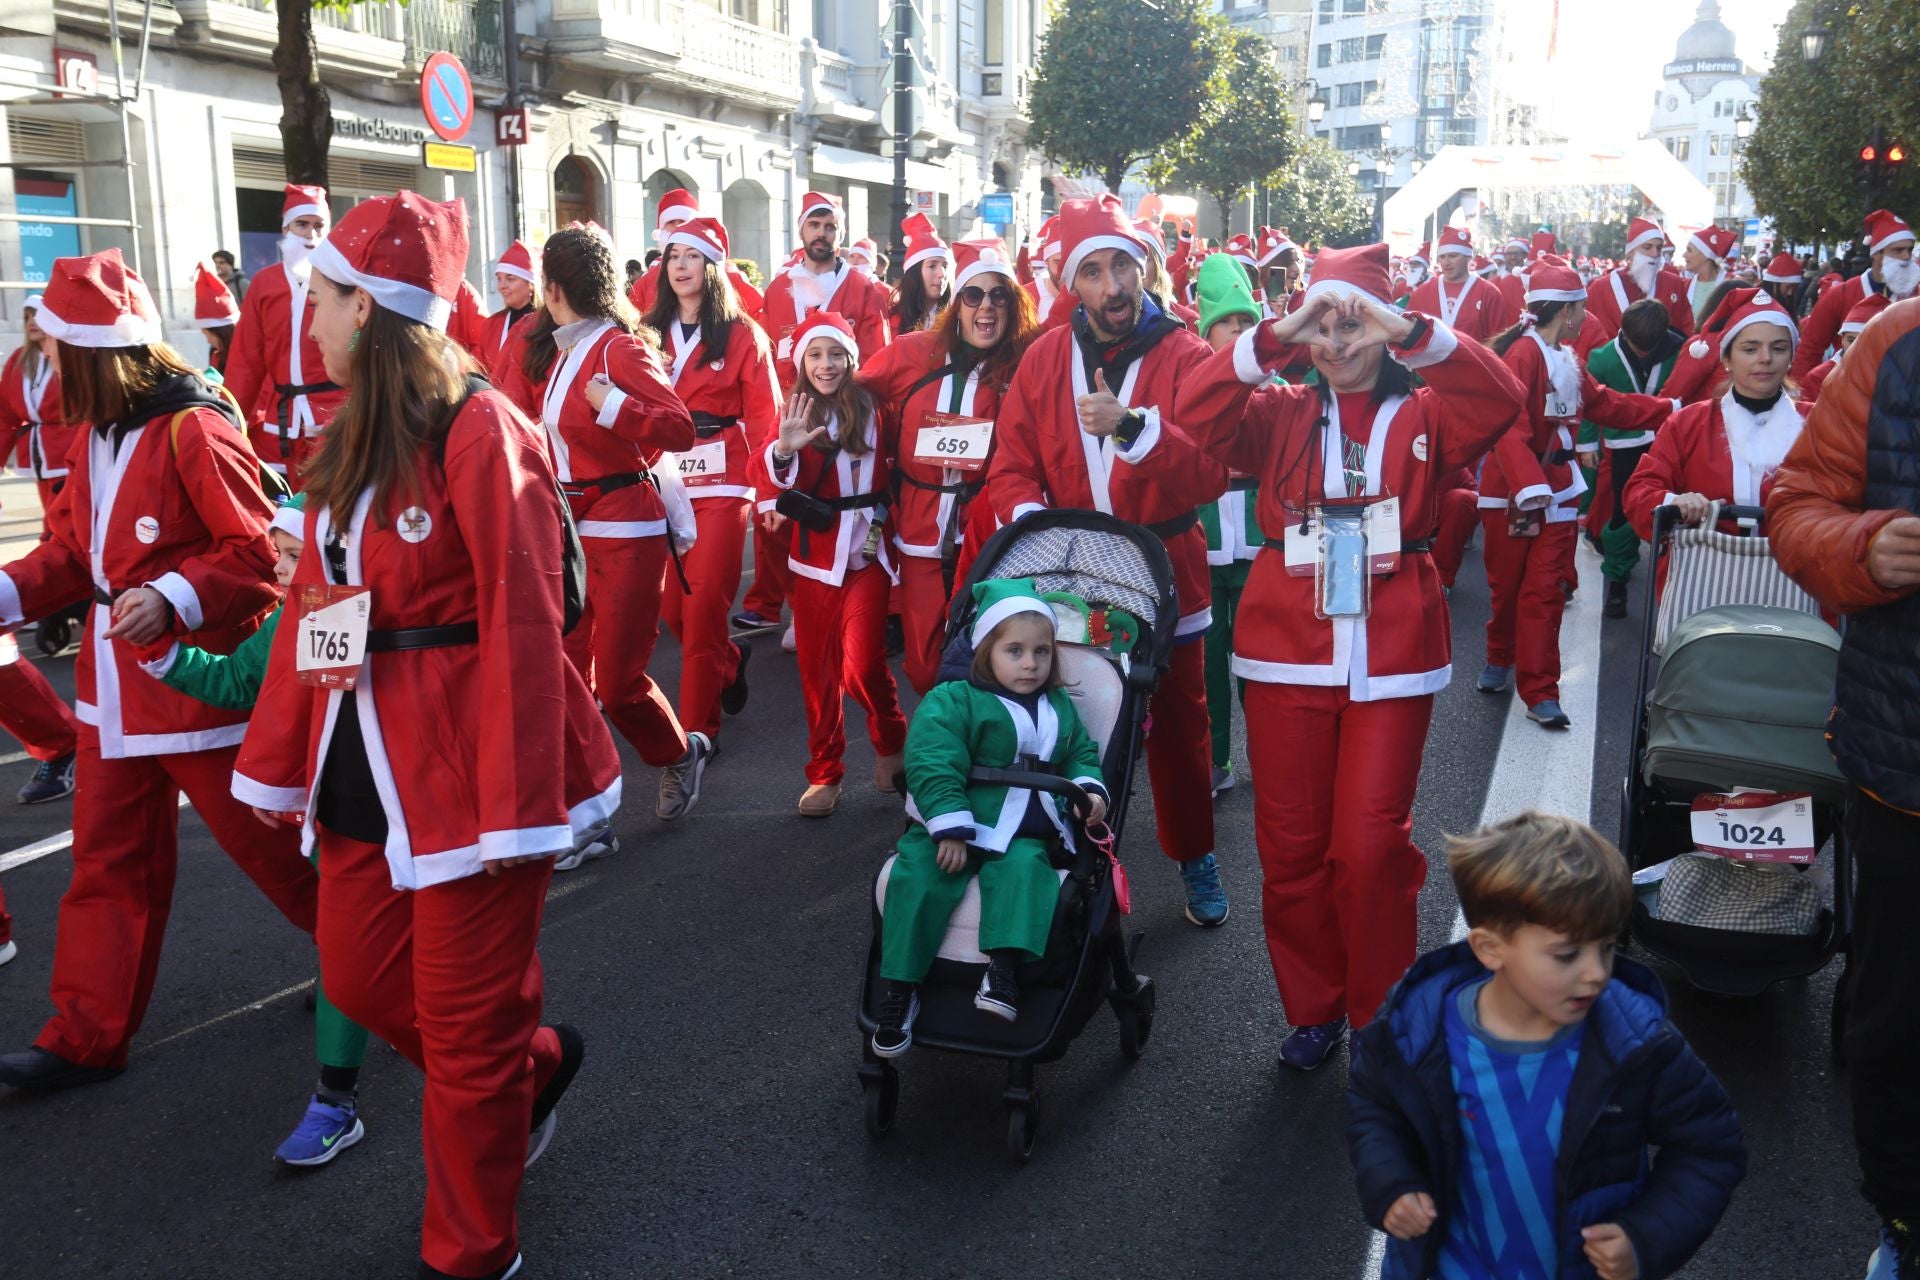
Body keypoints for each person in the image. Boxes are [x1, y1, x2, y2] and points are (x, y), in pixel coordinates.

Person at [233, 190, 619, 1280]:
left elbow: (524, 616)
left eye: (322, 299)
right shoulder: (351, 423)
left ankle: (471, 1250)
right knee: (357, 976)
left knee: (460, 1030)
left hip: (466, 769)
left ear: (370, 307)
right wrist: (277, 756)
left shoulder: (481, 426)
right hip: (364, 759)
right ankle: (526, 1061)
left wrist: (519, 800)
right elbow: (322, 601)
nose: (305, 320)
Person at [1173, 241, 1527, 1071]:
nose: (1336, 342)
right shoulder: (1280, 409)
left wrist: (1405, 326)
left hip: (1394, 644)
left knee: (1369, 847)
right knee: (1290, 846)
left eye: (1353, 323)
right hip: (1284, 648)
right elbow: (1195, 410)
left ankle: (1379, 1012)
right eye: (1322, 326)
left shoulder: (1433, 410)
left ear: (1385, 325)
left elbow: (1501, 394)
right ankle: (1314, 1008)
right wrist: (1274, 334)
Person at [0, 248, 318, 1091]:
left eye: (61, 351)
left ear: (95, 355)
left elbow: (258, 552)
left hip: (194, 688)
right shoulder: (96, 432)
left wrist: (174, 596)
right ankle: (83, 1035)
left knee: (270, 847)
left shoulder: (194, 426)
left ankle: (373, 969)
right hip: (114, 696)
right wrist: (6, 591)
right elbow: (72, 552)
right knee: (106, 863)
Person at [1347, 811, 1746, 1280]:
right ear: (1489, 948)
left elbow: (1711, 1147)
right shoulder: (1417, 1032)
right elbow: (1375, 1108)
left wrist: (1646, 1237)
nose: (1597, 972)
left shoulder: (1635, 1042)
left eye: (1608, 947)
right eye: (1568, 954)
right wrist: (1391, 1183)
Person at [990, 194, 1231, 929]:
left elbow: (1210, 475)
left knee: (1182, 731)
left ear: (1145, 267)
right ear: (1072, 283)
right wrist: (1032, 524)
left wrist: (1133, 429)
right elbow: (1010, 465)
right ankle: (1076, 863)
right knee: (1079, 720)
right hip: (1073, 576)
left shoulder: (1186, 354)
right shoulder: (1041, 360)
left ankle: (1195, 856)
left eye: (1122, 266)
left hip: (1166, 573)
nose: (1112, 287)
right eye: (1092, 271)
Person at [121, 491, 368, 1165]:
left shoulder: (334, 607)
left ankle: (504, 1071)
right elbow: (237, 681)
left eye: (290, 555)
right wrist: (162, 651)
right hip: (339, 810)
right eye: (278, 554)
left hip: (378, 809)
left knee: (384, 955)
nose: (279, 569)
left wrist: (289, 785)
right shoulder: (301, 609)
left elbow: (329, 717)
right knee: (349, 948)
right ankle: (338, 1096)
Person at [1769, 293, 1920, 1280]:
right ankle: (1906, 1222)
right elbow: (1795, 504)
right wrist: (1862, 547)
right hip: (1905, 769)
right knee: (1899, 1013)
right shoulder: (1895, 342)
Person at [493, 225, 706, 821]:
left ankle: (679, 753)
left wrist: (614, 405)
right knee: (565, 675)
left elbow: (678, 428)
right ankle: (585, 811)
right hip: (575, 531)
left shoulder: (620, 348)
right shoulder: (567, 348)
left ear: (552, 286)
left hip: (627, 533)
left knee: (617, 683)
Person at [870, 579, 1109, 1054]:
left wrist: (1088, 789)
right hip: (951, 825)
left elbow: (1080, 752)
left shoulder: (1058, 706)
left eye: (1042, 652)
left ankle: (1002, 969)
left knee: (1025, 870)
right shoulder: (953, 701)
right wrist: (951, 828)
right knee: (919, 876)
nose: (1030, 663)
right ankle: (901, 987)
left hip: (1024, 828)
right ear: (985, 651)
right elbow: (933, 762)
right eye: (1015, 650)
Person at [1481, 257, 1672, 729]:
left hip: (1560, 495)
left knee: (1544, 594)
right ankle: (1499, 655)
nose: (1586, 317)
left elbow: (1606, 403)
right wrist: (1529, 487)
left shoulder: (1566, 358)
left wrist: (1671, 408)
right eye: (1582, 308)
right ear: (1566, 312)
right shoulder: (1522, 355)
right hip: (1513, 497)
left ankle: (1540, 690)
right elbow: (1508, 429)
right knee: (1507, 591)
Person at [859, 239, 1036, 694]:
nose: (987, 307)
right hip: (919, 530)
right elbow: (849, 396)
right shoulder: (912, 352)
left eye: (1000, 296)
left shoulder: (1028, 364)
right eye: (974, 295)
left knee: (988, 665)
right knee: (923, 670)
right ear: (957, 305)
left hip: (990, 535)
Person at [752, 312, 907, 817]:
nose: (826, 364)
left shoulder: (876, 407)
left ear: (851, 358)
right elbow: (769, 472)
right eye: (815, 355)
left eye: (835, 353)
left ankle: (890, 742)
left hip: (870, 554)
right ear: (802, 363)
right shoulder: (794, 410)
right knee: (817, 673)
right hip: (815, 559)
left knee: (862, 664)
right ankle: (825, 772)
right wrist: (782, 448)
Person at [644, 215, 779, 766]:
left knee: (701, 614)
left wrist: (767, 491)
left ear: (712, 266)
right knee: (673, 610)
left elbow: (766, 419)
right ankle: (728, 661)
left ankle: (697, 732)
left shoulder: (744, 335)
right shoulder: (644, 330)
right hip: (661, 480)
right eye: (673, 255)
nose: (680, 265)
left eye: (691, 256)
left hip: (723, 484)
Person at [1624, 291, 1804, 596]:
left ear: (1791, 357)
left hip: (1795, 582)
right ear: (1726, 358)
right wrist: (1674, 502)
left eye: (1778, 348)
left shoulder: (1818, 424)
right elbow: (1639, 492)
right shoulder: (1688, 423)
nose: (1765, 359)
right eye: (1750, 348)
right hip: (1703, 582)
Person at [1190, 253, 1267, 797]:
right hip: (1204, 539)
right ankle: (1214, 760)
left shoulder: (1277, 382)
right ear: (1207, 330)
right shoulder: (1191, 383)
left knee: (1263, 664)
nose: (1238, 334)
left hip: (1262, 542)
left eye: (1246, 325)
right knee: (1208, 663)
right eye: (1228, 325)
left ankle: (1273, 759)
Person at [223, 184, 344, 488]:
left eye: (319, 226)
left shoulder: (343, 280)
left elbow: (361, 342)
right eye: (302, 224)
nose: (311, 235)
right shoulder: (265, 283)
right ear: (285, 228)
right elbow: (246, 359)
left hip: (335, 418)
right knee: (278, 507)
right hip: (279, 423)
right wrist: (230, 419)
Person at [1580, 298, 1685, 617]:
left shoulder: (1682, 351)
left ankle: (1679, 581)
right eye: (1638, 346)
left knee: (1676, 511)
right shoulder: (1602, 358)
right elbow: (1586, 403)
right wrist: (1587, 445)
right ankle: (1617, 579)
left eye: (1650, 347)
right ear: (1623, 333)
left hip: (1672, 441)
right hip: (1623, 445)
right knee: (1623, 513)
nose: (1643, 352)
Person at [1793, 210, 1917, 383]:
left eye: (1909, 250)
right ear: (1876, 254)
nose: (1906, 257)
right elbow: (1810, 350)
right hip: (1846, 395)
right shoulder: (1840, 295)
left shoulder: (1915, 296)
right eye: (1898, 250)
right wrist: (1800, 398)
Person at [0, 294, 79, 527]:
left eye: (37, 315)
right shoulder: (18, 359)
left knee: (62, 525)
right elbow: (5, 415)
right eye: (26, 317)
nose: (31, 322)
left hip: (68, 453)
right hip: (37, 458)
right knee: (54, 523)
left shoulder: (71, 356)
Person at [627, 188, 765, 320]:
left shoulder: (726, 272)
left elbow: (759, 315)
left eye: (682, 221)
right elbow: (631, 322)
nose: (677, 228)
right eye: (670, 223)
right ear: (661, 232)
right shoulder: (648, 279)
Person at [1578, 218, 1694, 360]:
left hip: (1664, 374)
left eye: (1659, 248)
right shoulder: (1600, 288)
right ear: (1630, 252)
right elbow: (1585, 334)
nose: (1655, 254)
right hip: (1612, 373)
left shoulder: (1674, 284)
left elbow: (1687, 329)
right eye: (1647, 247)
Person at [1406, 227, 1516, 344]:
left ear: (1468, 257)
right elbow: (1409, 334)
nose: (1446, 262)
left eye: (1453, 256)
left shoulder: (1488, 293)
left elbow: (1497, 343)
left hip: (1473, 362)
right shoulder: (1422, 293)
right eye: (1442, 257)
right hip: (1430, 362)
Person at [1801, 294, 1888, 406]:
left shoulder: (1892, 376)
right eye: (1851, 340)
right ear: (1842, 339)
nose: (1856, 348)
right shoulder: (1819, 378)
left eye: (1867, 340)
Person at [891, 213, 951, 335]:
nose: (942, 274)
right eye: (932, 266)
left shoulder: (956, 320)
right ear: (914, 272)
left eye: (945, 266)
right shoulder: (891, 321)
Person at [481, 240, 540, 363]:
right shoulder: (491, 324)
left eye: (510, 279)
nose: (502, 286)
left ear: (530, 284)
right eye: (499, 279)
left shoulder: (544, 323)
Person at [190, 258, 241, 376]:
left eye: (208, 335)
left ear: (220, 332)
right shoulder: (217, 353)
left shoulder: (248, 353)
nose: (208, 341)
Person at [1682, 224, 1738, 327]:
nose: (1684, 255)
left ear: (1705, 254)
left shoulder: (1733, 284)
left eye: (1689, 250)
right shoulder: (1685, 286)